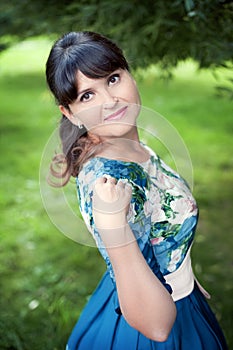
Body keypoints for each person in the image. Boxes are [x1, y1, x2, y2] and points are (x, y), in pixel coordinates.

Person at [45, 31, 228, 349]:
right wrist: (112, 226)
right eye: (87, 96)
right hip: (151, 321)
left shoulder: (123, 143)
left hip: (180, 297)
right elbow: (156, 328)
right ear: (70, 113)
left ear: (129, 73)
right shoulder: (110, 184)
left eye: (113, 79)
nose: (110, 100)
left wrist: (179, 264)